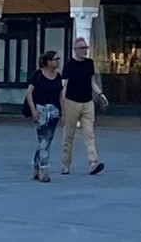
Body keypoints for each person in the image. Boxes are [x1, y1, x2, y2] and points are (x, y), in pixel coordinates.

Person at [58, 35, 105, 177]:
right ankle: (65, 165)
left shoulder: (89, 63)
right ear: (75, 50)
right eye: (82, 48)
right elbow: (64, 85)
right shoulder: (69, 65)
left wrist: (100, 94)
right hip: (71, 102)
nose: (85, 50)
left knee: (89, 134)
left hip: (87, 102)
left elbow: (92, 82)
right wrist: (63, 106)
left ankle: (93, 162)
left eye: (86, 48)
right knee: (68, 135)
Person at [24, 51, 63, 182]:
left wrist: (63, 112)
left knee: (47, 141)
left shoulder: (58, 76)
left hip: (54, 111)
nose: (58, 61)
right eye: (56, 59)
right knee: (43, 141)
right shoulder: (38, 75)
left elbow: (60, 95)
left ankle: (35, 167)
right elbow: (29, 92)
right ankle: (43, 170)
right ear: (48, 62)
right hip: (40, 109)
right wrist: (33, 110)